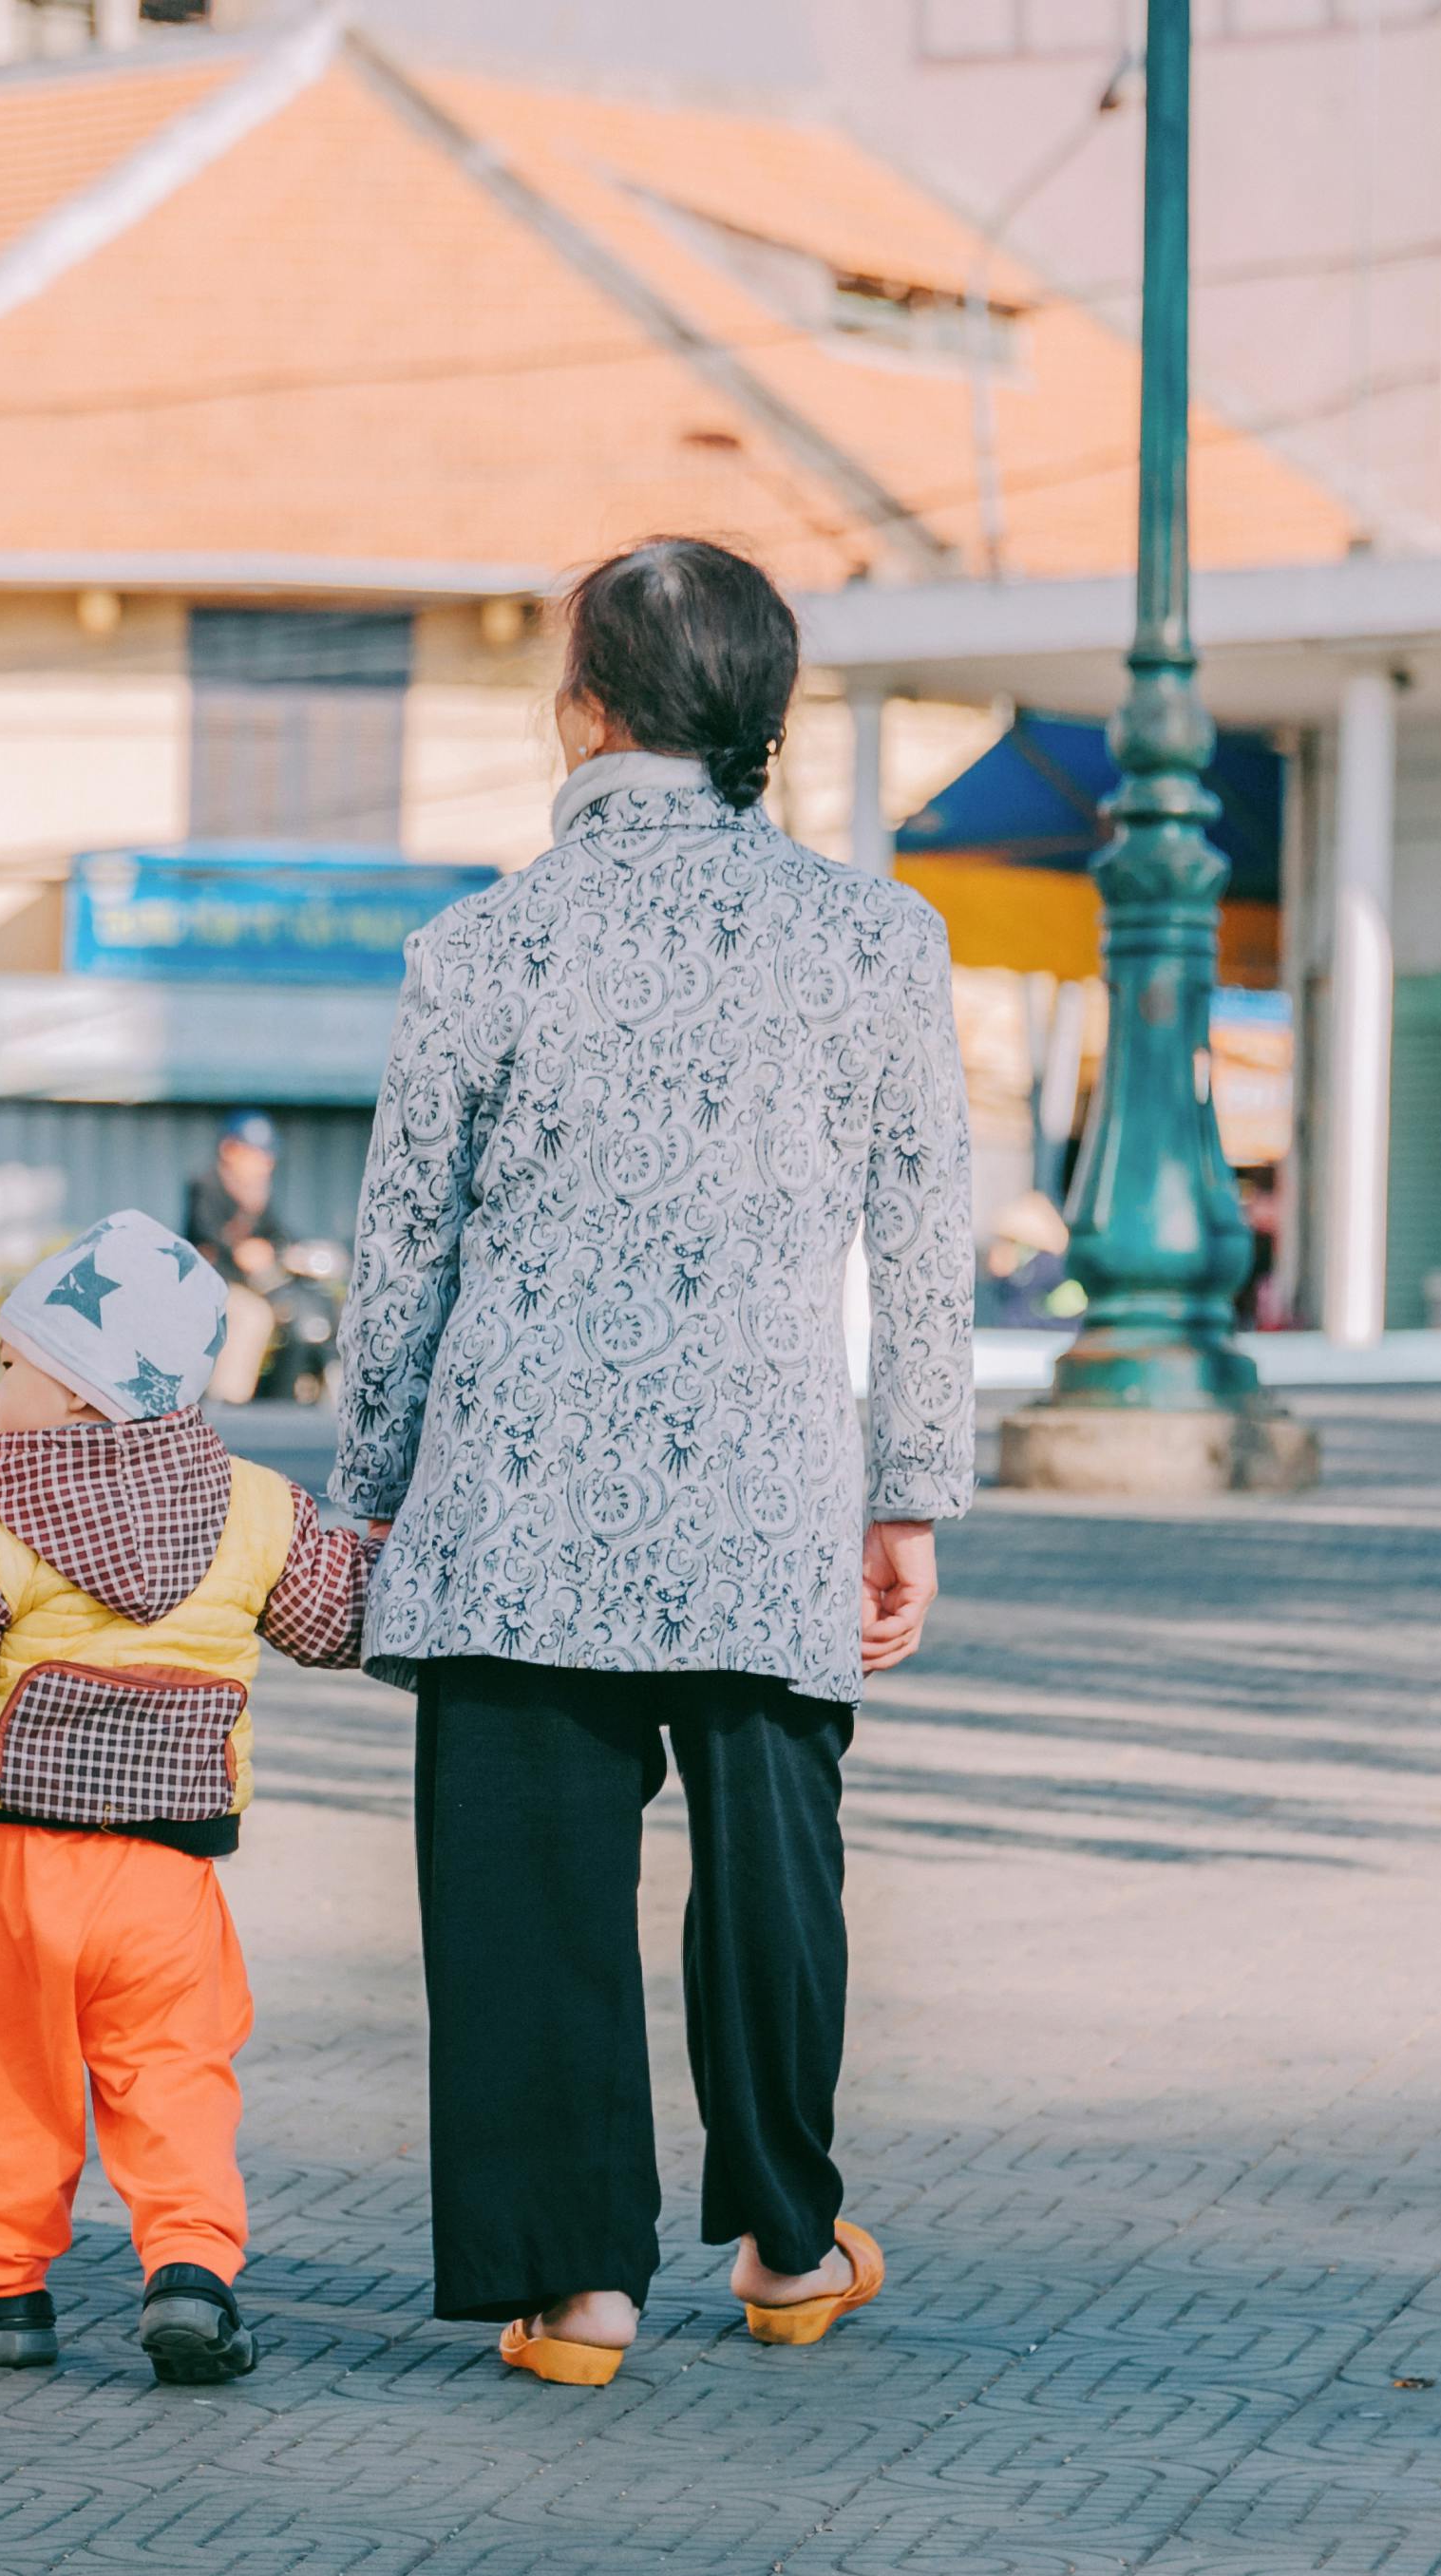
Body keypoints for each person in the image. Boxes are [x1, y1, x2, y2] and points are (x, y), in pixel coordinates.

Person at [332, 536, 975, 2382]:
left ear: (586, 709)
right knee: (775, 1875)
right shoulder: (877, 940)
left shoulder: (479, 946)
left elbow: (404, 1256)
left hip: (516, 1498)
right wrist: (905, 1494)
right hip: (767, 1491)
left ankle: (576, 2289)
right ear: (760, 715)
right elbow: (924, 1242)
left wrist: (367, 1495)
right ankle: (785, 2242)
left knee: (529, 1890)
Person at [0, 1209, 378, 2387]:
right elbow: (333, 1624)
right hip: (168, 1880)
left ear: (76, 1395)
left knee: (10, 2076)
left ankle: (2, 2294)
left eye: (12, 1366)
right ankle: (190, 2277)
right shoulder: (258, 1511)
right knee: (175, 2071)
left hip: (17, 1874)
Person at [183, 1111, 283, 1404]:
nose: (264, 1161)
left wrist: (273, 1250)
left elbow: (279, 1234)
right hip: (210, 1282)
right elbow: (205, 1231)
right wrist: (240, 1250)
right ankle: (228, 1403)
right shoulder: (207, 1185)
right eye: (255, 1152)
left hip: (247, 1283)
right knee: (251, 1315)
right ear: (230, 1149)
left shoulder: (257, 1195)